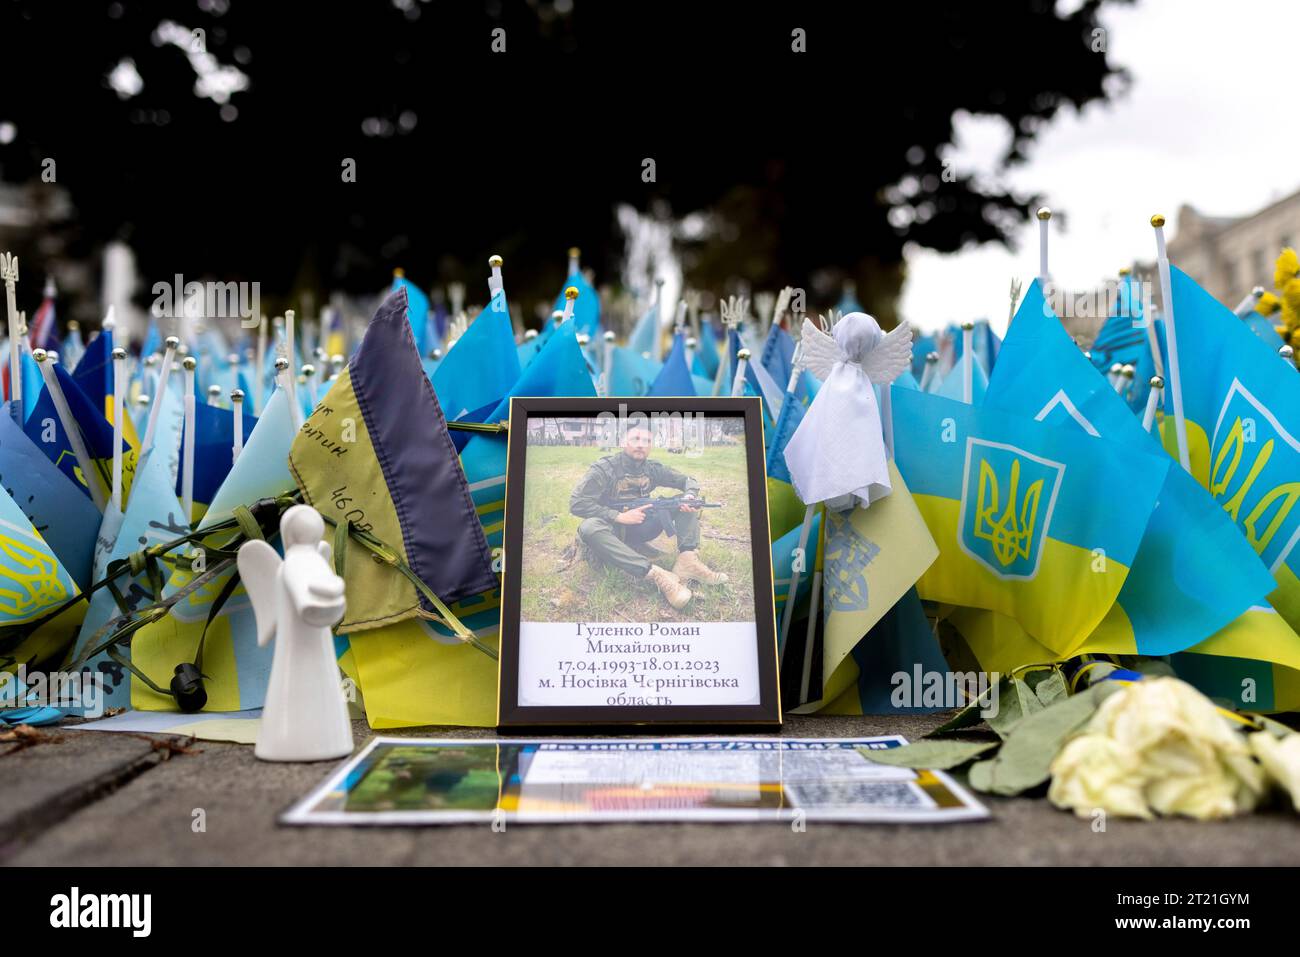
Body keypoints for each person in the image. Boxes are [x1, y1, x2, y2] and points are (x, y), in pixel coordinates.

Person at [569, 423, 727, 609]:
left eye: (647, 440)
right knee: (589, 527)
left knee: (684, 503)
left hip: (642, 526)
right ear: (622, 442)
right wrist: (617, 516)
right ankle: (656, 575)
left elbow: (687, 480)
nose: (641, 444)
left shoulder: (652, 468)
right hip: (612, 529)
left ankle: (688, 562)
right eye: (635, 439)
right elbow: (577, 503)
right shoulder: (605, 469)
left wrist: (689, 495)